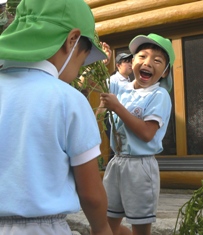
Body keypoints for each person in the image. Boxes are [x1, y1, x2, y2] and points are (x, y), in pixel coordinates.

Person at [0, 0, 112, 234]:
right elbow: (91, 194)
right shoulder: (67, 100)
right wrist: (102, 229)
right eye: (82, 60)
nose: (78, 70)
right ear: (72, 40)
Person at [99, 33, 175, 235]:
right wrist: (102, 61)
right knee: (105, 224)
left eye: (157, 60)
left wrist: (118, 108)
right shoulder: (120, 87)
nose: (147, 63)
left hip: (140, 167)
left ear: (165, 72)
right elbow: (95, 85)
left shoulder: (159, 95)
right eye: (142, 56)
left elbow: (146, 134)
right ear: (132, 62)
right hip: (116, 162)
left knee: (140, 228)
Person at [96, 52, 133, 162]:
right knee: (117, 148)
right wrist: (98, 117)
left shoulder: (129, 81)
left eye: (131, 62)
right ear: (118, 65)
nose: (130, 64)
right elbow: (104, 101)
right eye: (126, 62)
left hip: (125, 118)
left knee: (122, 148)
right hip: (113, 119)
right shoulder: (112, 80)